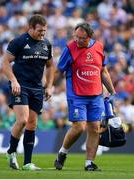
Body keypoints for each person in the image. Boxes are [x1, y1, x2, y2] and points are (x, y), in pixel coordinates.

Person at [54, 22, 116, 171]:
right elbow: (58, 70)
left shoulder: (99, 47)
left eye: (82, 38)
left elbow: (103, 71)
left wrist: (112, 91)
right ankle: (63, 152)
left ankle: (89, 163)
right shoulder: (69, 48)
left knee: (95, 128)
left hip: (96, 95)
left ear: (90, 37)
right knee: (79, 126)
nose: (78, 40)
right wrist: (49, 86)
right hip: (77, 94)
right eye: (76, 37)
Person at [2, 14, 55, 171]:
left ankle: (27, 163)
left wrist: (50, 86)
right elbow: (5, 62)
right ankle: (11, 151)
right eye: (39, 30)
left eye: (44, 31)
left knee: (32, 124)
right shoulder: (19, 42)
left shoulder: (47, 44)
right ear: (30, 28)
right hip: (21, 86)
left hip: (37, 88)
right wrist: (14, 80)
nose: (42, 34)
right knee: (23, 121)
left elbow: (51, 66)